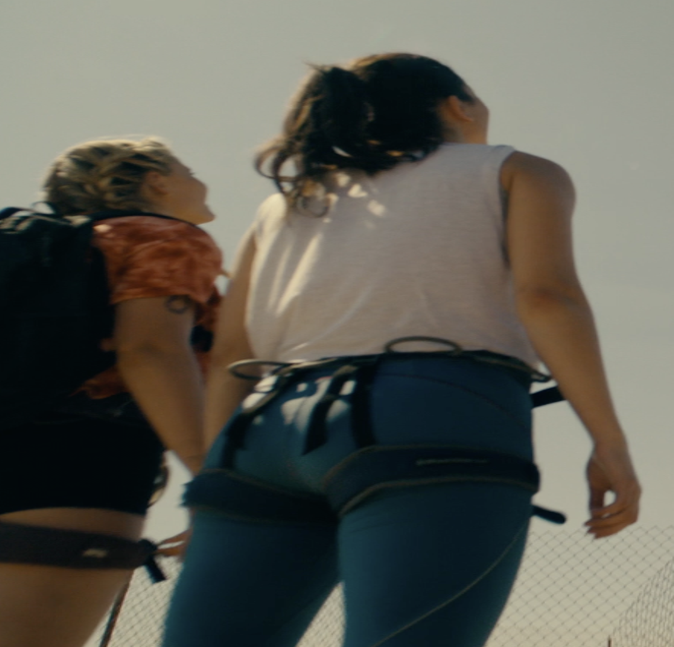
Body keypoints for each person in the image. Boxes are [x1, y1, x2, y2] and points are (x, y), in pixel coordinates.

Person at [164, 54, 641, 647]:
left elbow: (234, 350)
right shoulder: (517, 172)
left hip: (264, 431)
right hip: (433, 416)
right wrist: (609, 443)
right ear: (458, 106)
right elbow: (547, 298)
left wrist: (216, 478)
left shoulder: (287, 203)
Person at [0, 137, 221, 647]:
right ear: (157, 181)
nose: (201, 182)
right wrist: (212, 478)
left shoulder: (31, 255)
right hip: (74, 464)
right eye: (188, 170)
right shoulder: (162, 237)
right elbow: (149, 349)